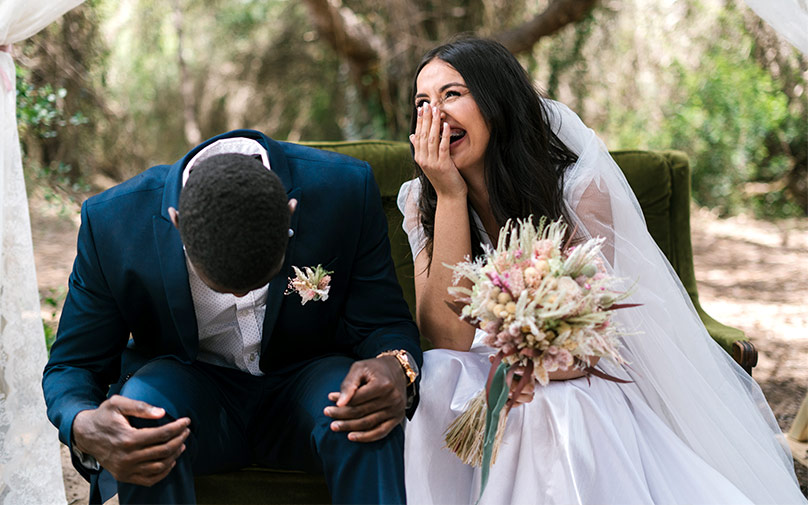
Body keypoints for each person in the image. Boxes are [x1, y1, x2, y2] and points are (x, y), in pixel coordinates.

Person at [398, 36, 806, 504]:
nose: (435, 113)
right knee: (435, 373)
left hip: (580, 365)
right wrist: (449, 194)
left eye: (453, 94)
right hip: (485, 358)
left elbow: (597, 335)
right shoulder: (421, 198)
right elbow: (449, 337)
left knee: (551, 408)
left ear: (496, 101)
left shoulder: (573, 187)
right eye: (422, 102)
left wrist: (527, 371)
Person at [42, 131, 422, 504]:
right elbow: (74, 364)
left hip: (308, 382)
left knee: (366, 414)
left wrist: (396, 366)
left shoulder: (345, 190)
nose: (241, 296)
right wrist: (81, 423)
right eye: (221, 284)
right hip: (192, 392)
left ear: (289, 213)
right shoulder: (114, 222)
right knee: (143, 416)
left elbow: (383, 323)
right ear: (178, 224)